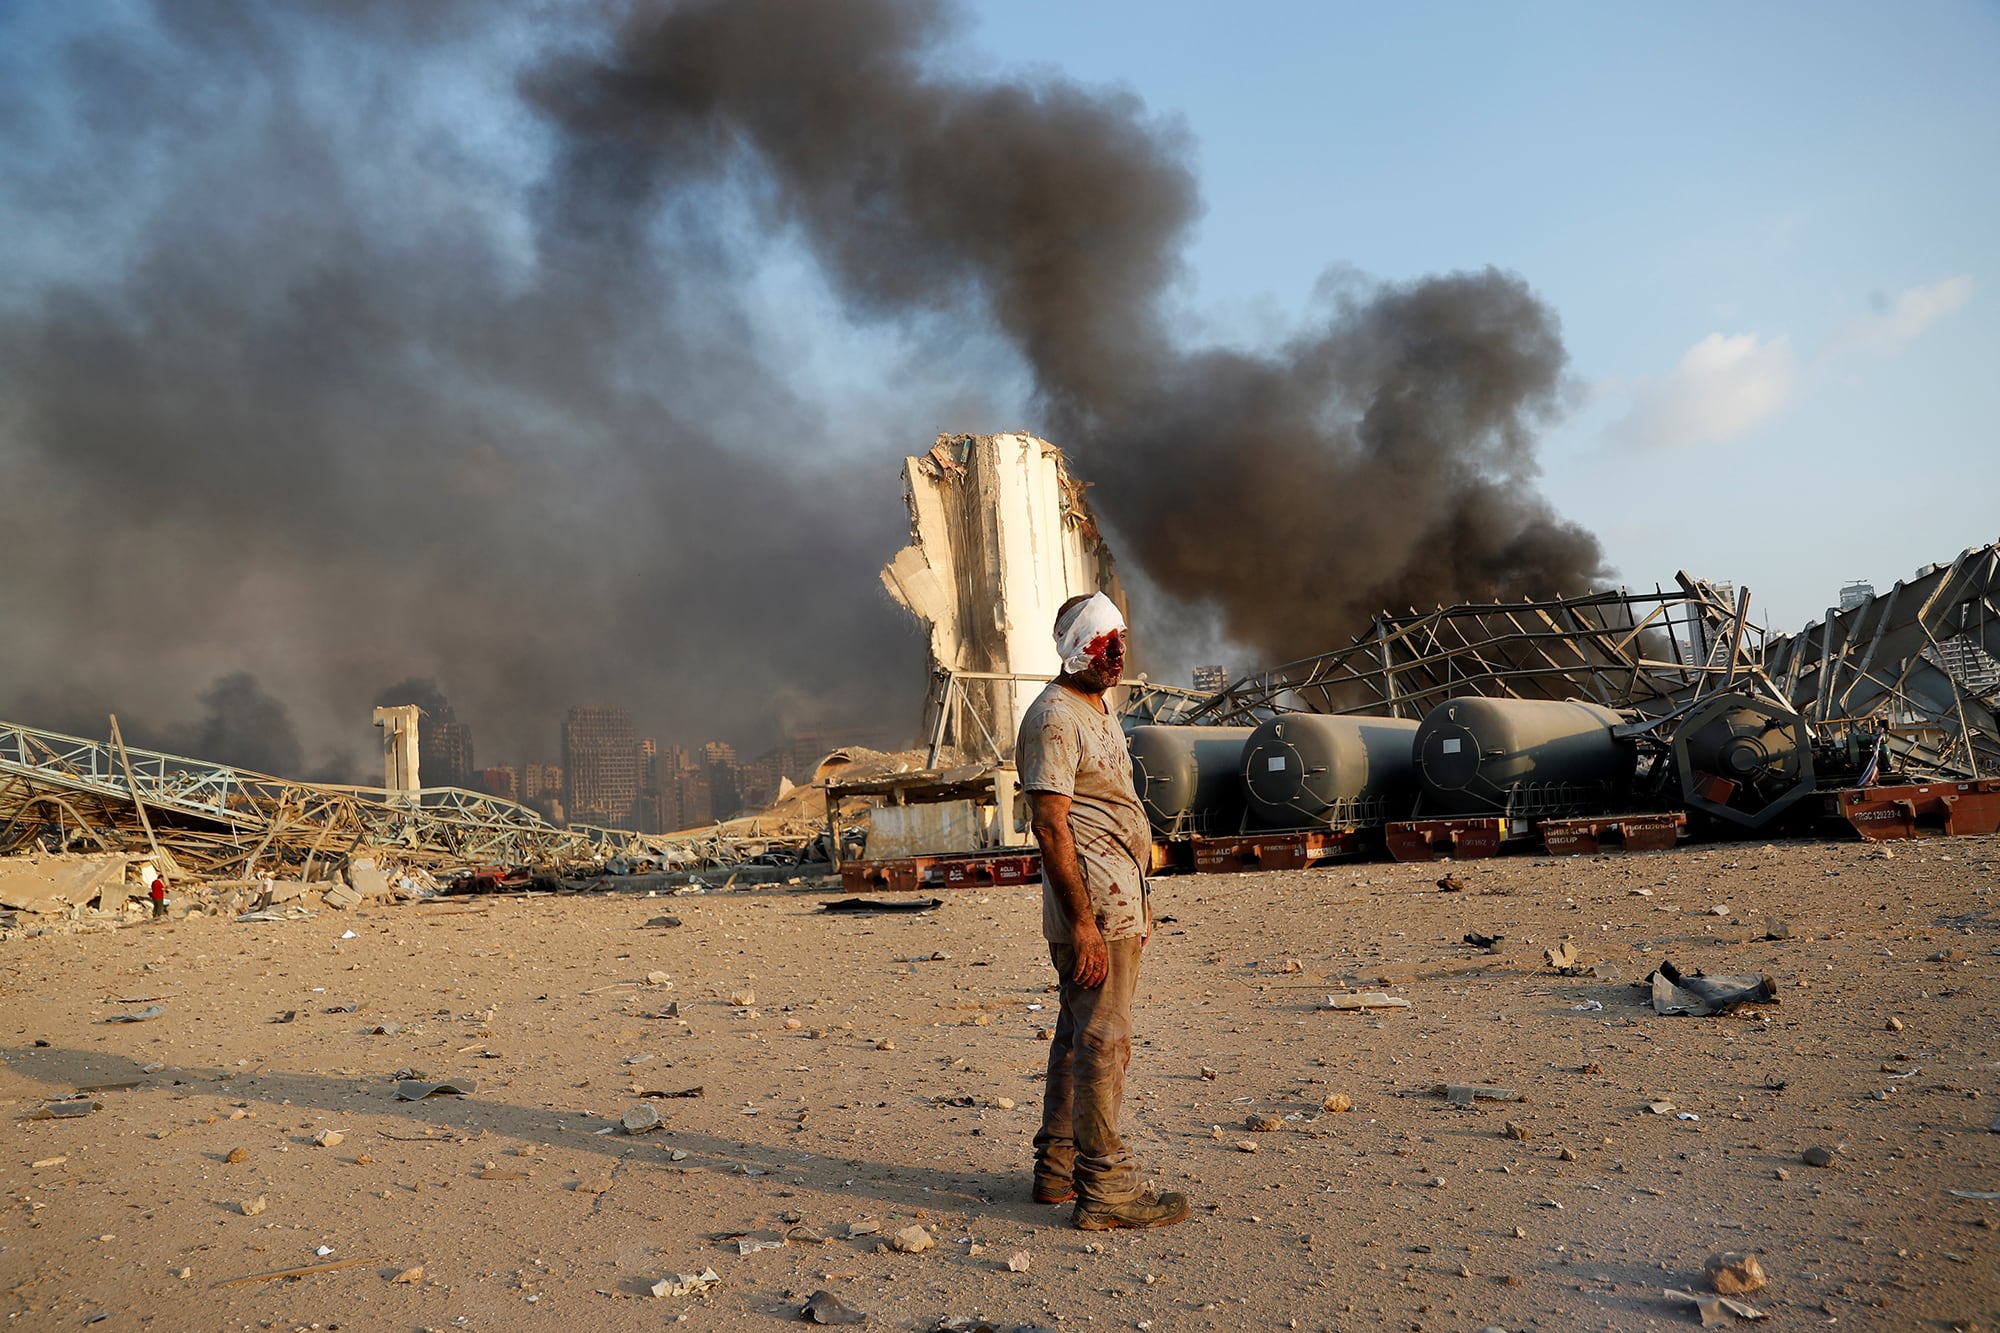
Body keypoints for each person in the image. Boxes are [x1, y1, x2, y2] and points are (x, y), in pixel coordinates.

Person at [1015, 591, 1191, 1231]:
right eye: (1100, 642)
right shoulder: (1055, 717)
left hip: (1119, 897)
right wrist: (1085, 925)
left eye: (1120, 638)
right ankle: (1108, 1192)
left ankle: (1056, 1172)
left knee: (1075, 1037)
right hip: (1095, 906)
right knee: (1103, 1041)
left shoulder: (1096, 707)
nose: (1117, 651)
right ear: (1072, 651)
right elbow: (1051, 826)